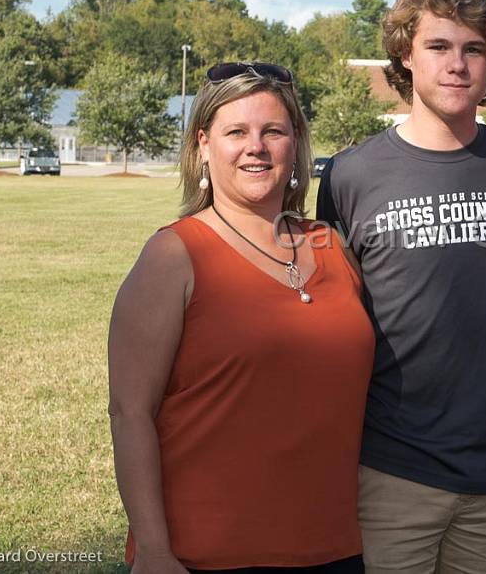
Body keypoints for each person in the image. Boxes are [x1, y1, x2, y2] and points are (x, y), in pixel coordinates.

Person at [317, 0, 486, 574]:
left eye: (475, 49)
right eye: (439, 46)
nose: (457, 64)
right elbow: (336, 323)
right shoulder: (349, 175)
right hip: (393, 464)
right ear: (405, 55)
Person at [108, 62, 374, 574]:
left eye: (273, 130)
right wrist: (155, 551)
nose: (256, 145)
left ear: (294, 143)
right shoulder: (173, 255)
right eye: (236, 132)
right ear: (204, 146)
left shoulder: (333, 245)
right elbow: (129, 412)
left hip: (336, 547)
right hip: (207, 552)